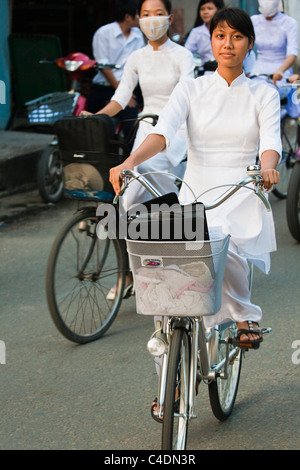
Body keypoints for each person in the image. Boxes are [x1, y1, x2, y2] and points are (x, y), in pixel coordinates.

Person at [109, 7, 281, 347]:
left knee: (221, 244)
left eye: (237, 37)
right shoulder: (191, 89)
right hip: (196, 193)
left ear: (250, 43)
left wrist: (267, 167)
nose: (227, 44)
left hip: (241, 193)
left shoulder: (264, 94)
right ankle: (169, 377)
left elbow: (270, 143)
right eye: (220, 36)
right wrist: (129, 161)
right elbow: (162, 134)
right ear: (212, 42)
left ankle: (245, 314)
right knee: (168, 278)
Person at [84, 0, 194, 299]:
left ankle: (165, 268)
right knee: (127, 200)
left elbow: (185, 96)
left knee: (158, 200)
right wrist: (98, 117)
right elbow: (121, 98)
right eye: (146, 14)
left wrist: (170, 125)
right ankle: (130, 273)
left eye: (158, 13)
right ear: (139, 19)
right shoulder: (136, 57)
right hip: (146, 129)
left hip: (176, 131)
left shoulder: (183, 56)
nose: (151, 19)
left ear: (169, 18)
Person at [85, 0, 145, 141]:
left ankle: (129, 161)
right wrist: (123, 92)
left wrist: (128, 92)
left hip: (129, 89)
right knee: (91, 125)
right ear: (128, 17)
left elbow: (140, 63)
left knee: (131, 128)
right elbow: (104, 67)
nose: (141, 18)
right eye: (138, 14)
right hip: (104, 87)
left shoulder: (137, 35)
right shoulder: (104, 33)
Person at [250, 0, 298, 89]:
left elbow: (292, 53)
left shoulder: (289, 23)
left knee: (272, 91)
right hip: (258, 70)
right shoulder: (253, 20)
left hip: (281, 71)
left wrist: (281, 70)